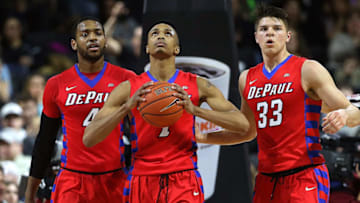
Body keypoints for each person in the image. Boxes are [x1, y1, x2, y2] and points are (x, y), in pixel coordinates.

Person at [83, 22, 249, 202]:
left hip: (183, 177)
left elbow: (242, 125)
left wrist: (196, 111)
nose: (160, 36)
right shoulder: (128, 89)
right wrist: (125, 108)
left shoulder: (198, 84)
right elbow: (89, 138)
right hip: (143, 178)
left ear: (177, 49)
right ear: (146, 48)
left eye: (167, 33)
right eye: (154, 33)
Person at [236, 5, 360, 203]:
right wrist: (202, 134)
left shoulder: (308, 69)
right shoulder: (247, 78)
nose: (270, 33)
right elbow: (247, 131)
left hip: (304, 174)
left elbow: (352, 110)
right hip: (266, 179)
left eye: (277, 28)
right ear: (256, 37)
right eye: (264, 29)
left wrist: (344, 115)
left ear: (288, 36)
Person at [24, 17, 136, 203]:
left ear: (106, 41)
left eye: (98, 34)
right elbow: (45, 141)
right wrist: (30, 192)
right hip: (73, 180)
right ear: (74, 44)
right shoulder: (56, 84)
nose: (92, 38)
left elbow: (140, 133)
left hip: (114, 178)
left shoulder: (126, 78)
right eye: (85, 34)